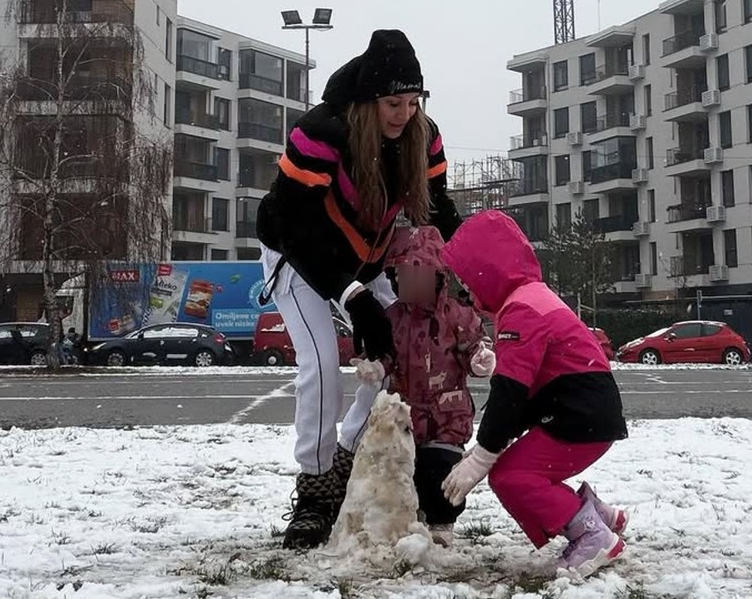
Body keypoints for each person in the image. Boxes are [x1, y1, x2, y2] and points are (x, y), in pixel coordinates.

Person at [255, 29, 462, 549]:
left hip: (364, 259)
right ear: (370, 101)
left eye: (414, 102)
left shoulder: (422, 136)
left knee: (399, 351)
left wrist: (474, 273)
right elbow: (297, 229)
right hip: (296, 256)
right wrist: (353, 296)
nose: (405, 114)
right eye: (394, 103)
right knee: (323, 363)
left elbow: (439, 210)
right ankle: (315, 488)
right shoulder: (321, 133)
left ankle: (346, 452)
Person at [438, 209, 629, 578]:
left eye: (469, 279)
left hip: (578, 414)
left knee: (511, 477)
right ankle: (596, 514)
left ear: (488, 270)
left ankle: (591, 534)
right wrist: (493, 444)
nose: (467, 291)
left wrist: (483, 455)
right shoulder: (531, 297)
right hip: (586, 410)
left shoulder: (521, 311)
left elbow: (510, 392)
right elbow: (524, 390)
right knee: (524, 469)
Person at [380, 225, 495, 546]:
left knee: (441, 472)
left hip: (447, 417)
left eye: (419, 275)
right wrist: (375, 365)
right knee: (404, 471)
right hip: (404, 416)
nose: (411, 282)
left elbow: (474, 345)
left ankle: (442, 522)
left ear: (438, 277)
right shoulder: (390, 318)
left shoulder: (456, 315)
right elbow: (383, 352)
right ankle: (411, 517)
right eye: (404, 274)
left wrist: (479, 358)